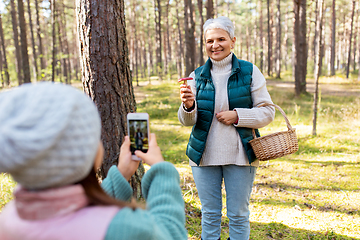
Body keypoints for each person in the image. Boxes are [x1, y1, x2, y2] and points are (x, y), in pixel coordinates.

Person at [0, 82, 187, 240]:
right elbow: (171, 232)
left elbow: (69, 209)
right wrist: (162, 171)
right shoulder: (123, 227)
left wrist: (121, 175)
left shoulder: (10, 218)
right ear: (80, 154)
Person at [178, 16, 275, 240]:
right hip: (203, 155)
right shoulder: (196, 76)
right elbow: (186, 121)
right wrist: (188, 105)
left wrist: (238, 115)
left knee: (238, 215)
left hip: (241, 154)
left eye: (221, 39)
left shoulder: (250, 72)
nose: (215, 45)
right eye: (209, 41)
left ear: (232, 41)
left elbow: (267, 112)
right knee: (210, 215)